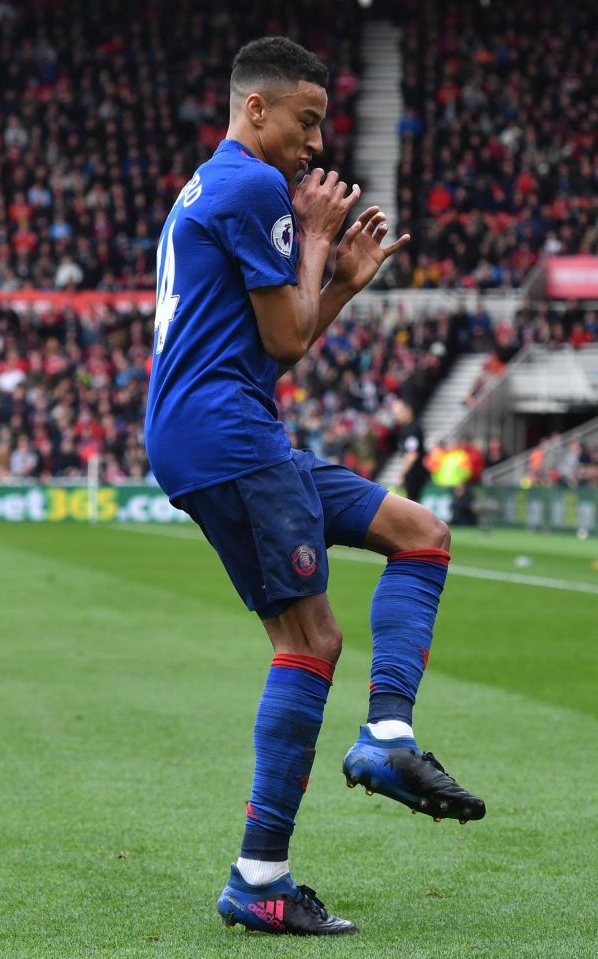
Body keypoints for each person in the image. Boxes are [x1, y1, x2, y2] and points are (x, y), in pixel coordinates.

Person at [145, 36, 485, 938]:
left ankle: (386, 737)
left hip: (232, 428)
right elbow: (288, 344)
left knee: (420, 530)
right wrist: (323, 242)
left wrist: (336, 283)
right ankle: (259, 879)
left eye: (324, 125)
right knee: (312, 637)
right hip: (227, 436)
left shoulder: (212, 184)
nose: (315, 144)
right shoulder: (255, 185)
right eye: (307, 121)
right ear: (254, 109)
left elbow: (274, 337)